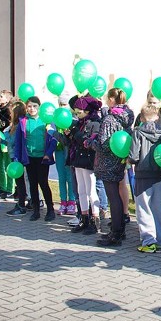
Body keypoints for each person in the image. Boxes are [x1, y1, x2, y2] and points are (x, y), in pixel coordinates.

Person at [90, 88, 134, 246]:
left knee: (113, 197)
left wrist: (91, 142)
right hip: (119, 161)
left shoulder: (110, 119)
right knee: (116, 195)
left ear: (111, 100)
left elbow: (103, 145)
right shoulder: (127, 116)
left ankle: (116, 234)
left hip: (108, 162)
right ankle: (119, 230)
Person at [129, 103, 161, 253]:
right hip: (159, 175)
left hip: (142, 176)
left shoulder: (138, 132)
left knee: (144, 208)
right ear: (157, 117)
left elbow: (134, 156)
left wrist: (129, 160)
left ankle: (148, 241)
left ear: (141, 118)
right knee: (160, 208)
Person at [14, 96, 57, 221]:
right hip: (29, 158)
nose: (32, 109)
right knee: (32, 184)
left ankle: (50, 209)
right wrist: (17, 157)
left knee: (43, 183)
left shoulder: (46, 121)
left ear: (39, 107)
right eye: (29, 106)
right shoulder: (23, 121)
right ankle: (36, 210)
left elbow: (53, 140)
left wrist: (48, 153)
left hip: (43, 158)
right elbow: (18, 141)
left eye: (34, 106)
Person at [68, 96, 102, 234]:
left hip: (88, 161)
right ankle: (84, 218)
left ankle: (95, 221)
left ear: (87, 110)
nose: (77, 114)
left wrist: (76, 134)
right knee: (81, 190)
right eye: (75, 111)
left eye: (79, 111)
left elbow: (88, 142)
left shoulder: (95, 123)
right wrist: (67, 135)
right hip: (77, 160)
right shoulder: (78, 124)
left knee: (91, 191)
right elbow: (72, 142)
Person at [54, 94, 78, 217]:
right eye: (61, 105)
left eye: (65, 105)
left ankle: (72, 202)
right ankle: (63, 201)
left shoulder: (74, 120)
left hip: (69, 152)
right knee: (61, 177)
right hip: (59, 151)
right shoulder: (55, 119)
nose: (63, 107)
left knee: (70, 177)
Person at [0, 90, 14, 200]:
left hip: (6, 140)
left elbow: (9, 125)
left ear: (7, 99)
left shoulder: (8, 111)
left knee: (8, 166)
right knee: (0, 166)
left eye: (1, 96)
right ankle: (2, 187)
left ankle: (10, 189)